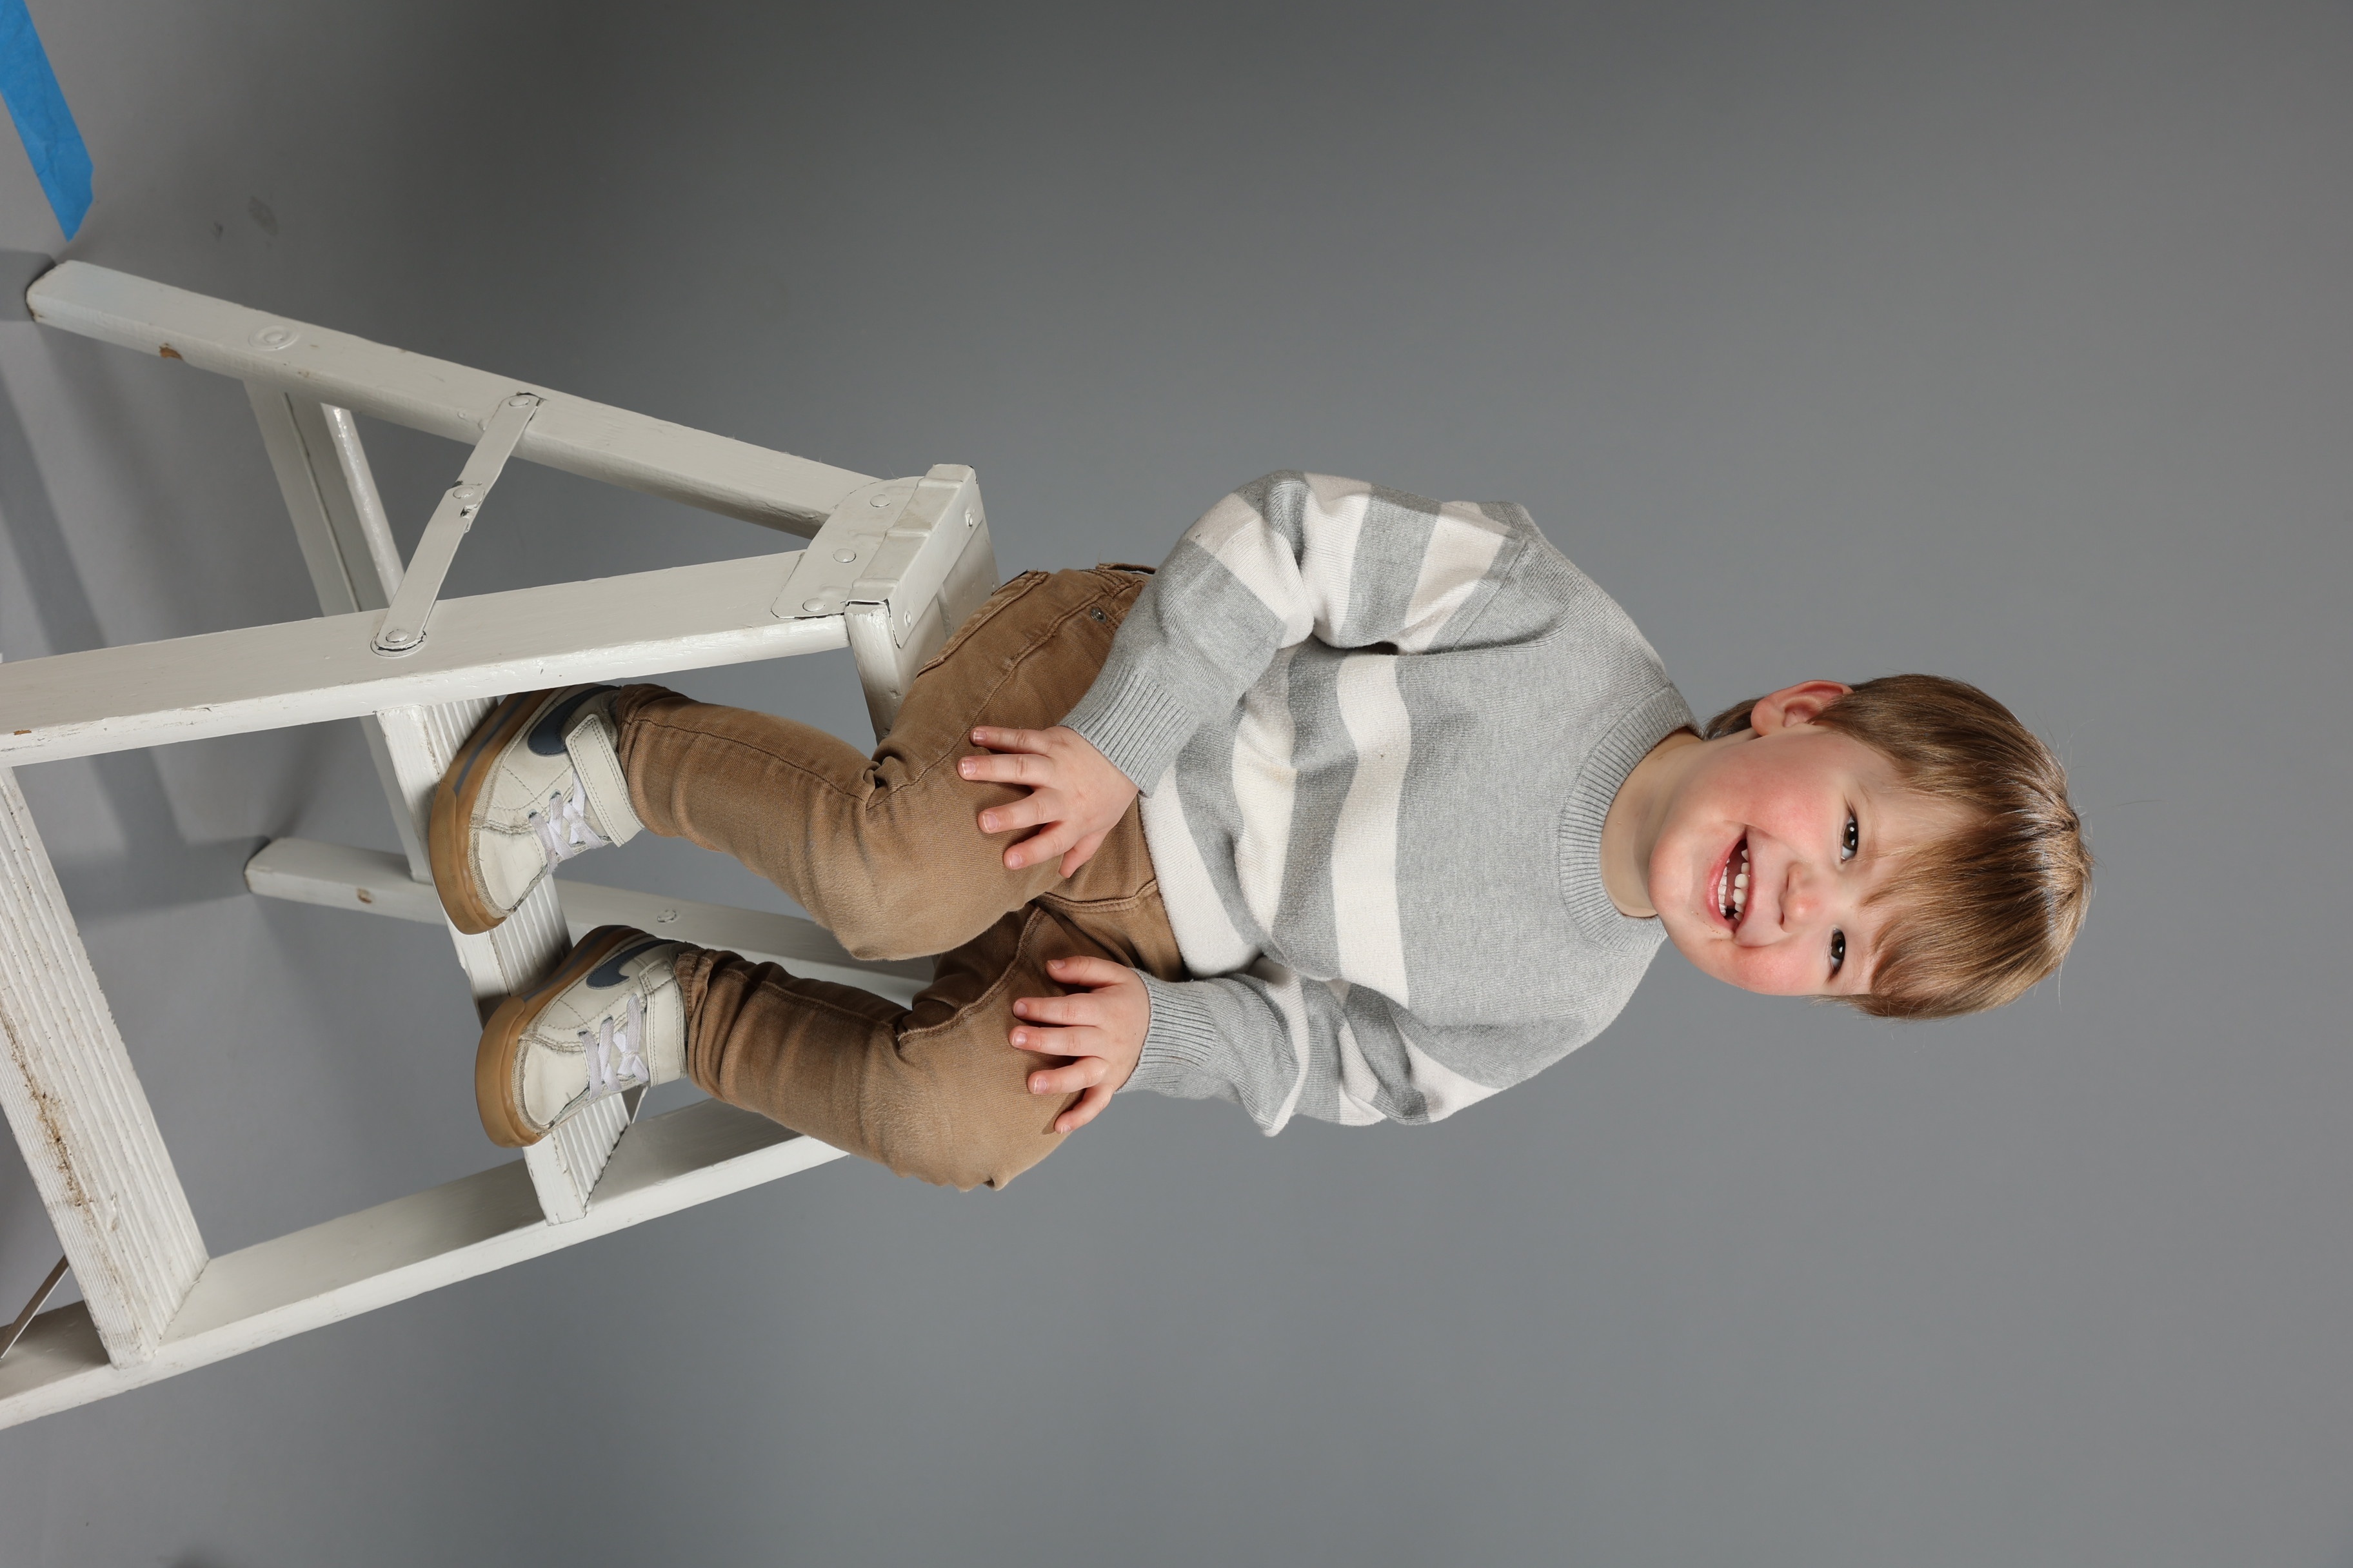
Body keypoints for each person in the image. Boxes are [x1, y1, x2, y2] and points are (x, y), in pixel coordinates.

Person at [429, 472, 2090, 1189]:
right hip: (1128, 714)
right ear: (1803, 710)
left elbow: (1344, 1065)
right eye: (1851, 841)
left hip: (1162, 944)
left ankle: (669, 1009)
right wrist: (1116, 745)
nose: (1799, 907)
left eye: (1841, 952)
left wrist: (1159, 1036)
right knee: (890, 882)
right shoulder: (1556, 632)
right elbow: (1288, 537)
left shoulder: (1569, 999)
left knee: (961, 1128)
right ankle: (613, 752)